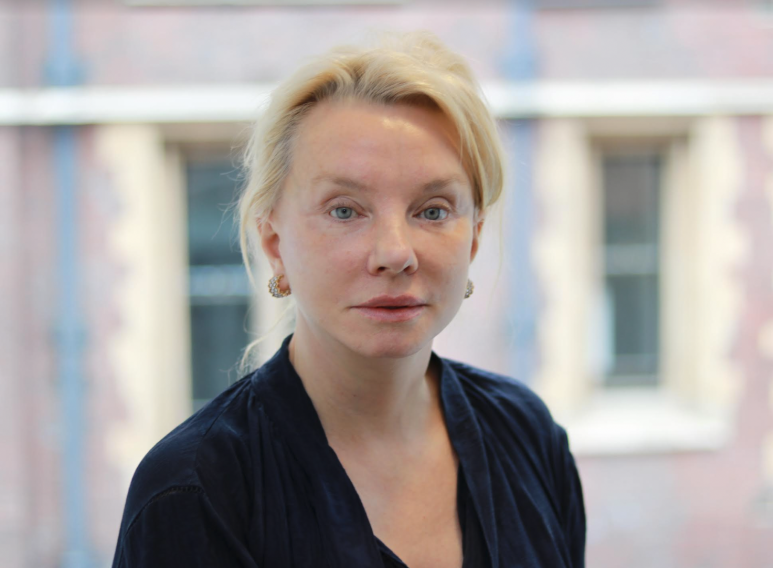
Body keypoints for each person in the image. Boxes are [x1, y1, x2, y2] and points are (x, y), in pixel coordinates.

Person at [110, 31, 586, 568]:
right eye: (344, 210)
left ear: (473, 237)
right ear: (275, 245)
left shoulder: (526, 434)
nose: (395, 253)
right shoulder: (196, 492)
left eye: (432, 210)